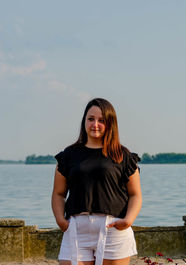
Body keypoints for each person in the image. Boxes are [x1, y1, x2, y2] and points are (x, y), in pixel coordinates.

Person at [51, 98, 142, 265]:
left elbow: (135, 194)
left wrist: (128, 220)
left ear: (110, 124)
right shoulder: (68, 155)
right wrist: (60, 221)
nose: (95, 124)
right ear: (84, 121)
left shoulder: (123, 156)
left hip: (113, 229)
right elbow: (58, 193)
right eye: (91, 119)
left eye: (101, 121)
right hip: (76, 229)